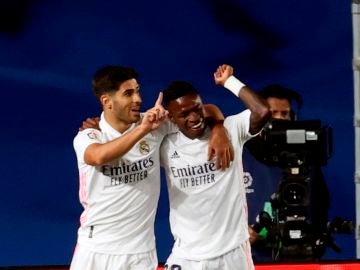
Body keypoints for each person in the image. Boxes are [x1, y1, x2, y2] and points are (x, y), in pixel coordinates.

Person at [70, 65, 233, 270]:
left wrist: (219, 129)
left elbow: (204, 109)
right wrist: (143, 129)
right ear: (107, 101)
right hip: (96, 250)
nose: (137, 99)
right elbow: (98, 156)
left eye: (137, 91)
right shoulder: (90, 135)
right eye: (128, 93)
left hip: (141, 254)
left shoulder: (155, 123)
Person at [160, 64, 270, 270]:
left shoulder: (231, 129)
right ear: (171, 118)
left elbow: (262, 111)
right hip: (186, 256)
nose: (194, 118)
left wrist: (229, 82)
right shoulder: (164, 144)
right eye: (184, 114)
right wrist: (99, 128)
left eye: (197, 109)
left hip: (232, 254)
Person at [244, 84, 330, 261]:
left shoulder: (308, 161)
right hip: (251, 258)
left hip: (299, 258)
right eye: (273, 113)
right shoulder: (240, 155)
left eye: (285, 114)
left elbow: (320, 208)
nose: (280, 119)